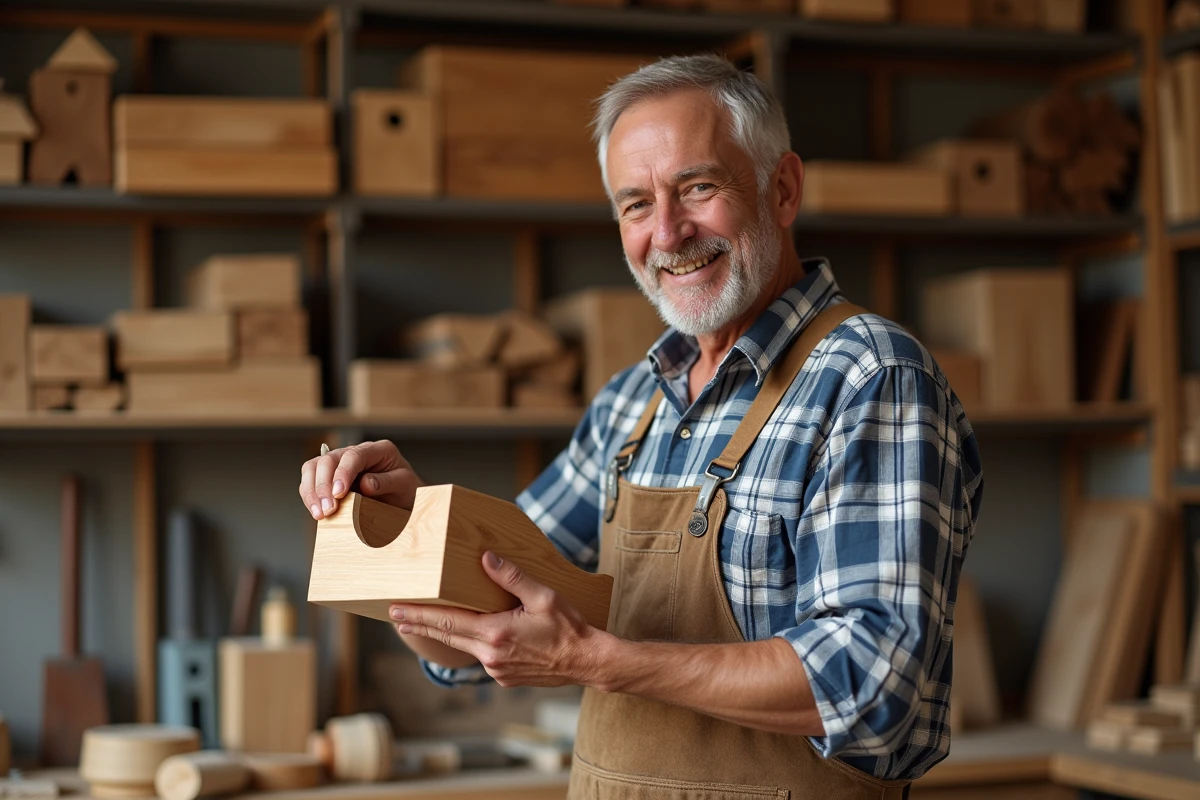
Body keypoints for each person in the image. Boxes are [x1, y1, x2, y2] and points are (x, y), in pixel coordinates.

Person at [299, 54, 982, 799]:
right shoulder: (633, 403)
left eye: (698, 187)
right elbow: (481, 621)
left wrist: (601, 661)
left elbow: (876, 684)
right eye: (634, 204)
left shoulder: (870, 377)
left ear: (782, 189)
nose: (668, 233)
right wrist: (409, 529)